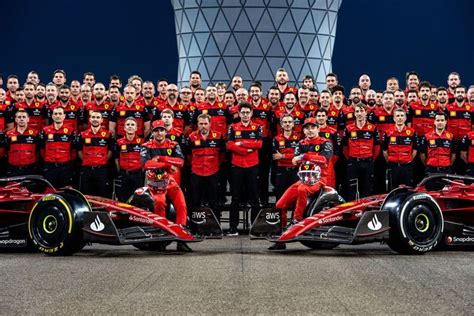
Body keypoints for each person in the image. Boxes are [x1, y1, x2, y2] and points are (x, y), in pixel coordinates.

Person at [270, 117, 332, 250]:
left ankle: (296, 221)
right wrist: (301, 157)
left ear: (318, 128)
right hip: (303, 178)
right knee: (280, 205)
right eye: (307, 128)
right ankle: (281, 237)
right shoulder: (301, 143)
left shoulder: (326, 143)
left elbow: (324, 159)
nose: (310, 130)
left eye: (312, 127)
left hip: (319, 179)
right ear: (303, 130)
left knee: (302, 190)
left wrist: (305, 156)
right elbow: (294, 160)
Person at [227, 102, 262, 236]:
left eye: (248, 112)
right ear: (239, 113)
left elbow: (259, 144)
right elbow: (230, 145)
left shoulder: (257, 127)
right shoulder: (233, 127)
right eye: (243, 113)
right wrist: (246, 150)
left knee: (254, 198)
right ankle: (233, 228)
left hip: (252, 166)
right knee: (235, 198)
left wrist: (242, 143)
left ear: (251, 113)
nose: (245, 115)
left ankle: (255, 228)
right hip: (237, 166)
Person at [141, 166, 192, 252]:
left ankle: (181, 239)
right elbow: (147, 164)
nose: (159, 186)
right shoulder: (150, 176)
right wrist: (167, 164)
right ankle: (161, 237)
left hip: (170, 184)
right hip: (154, 189)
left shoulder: (170, 180)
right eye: (157, 184)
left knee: (182, 205)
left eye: (161, 183)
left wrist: (162, 162)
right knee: (159, 202)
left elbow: (180, 162)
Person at [186, 114, 225, 220]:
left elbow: (222, 155)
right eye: (201, 124)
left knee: (214, 201)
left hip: (213, 172)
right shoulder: (191, 137)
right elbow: (188, 155)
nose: (203, 126)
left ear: (210, 124)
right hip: (196, 172)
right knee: (195, 200)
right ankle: (194, 226)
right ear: (197, 124)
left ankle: (216, 226)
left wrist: (215, 165)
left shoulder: (218, 136)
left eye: (205, 124)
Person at [342, 103, 380, 200]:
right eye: (357, 111)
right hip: (353, 163)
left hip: (367, 162)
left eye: (361, 111)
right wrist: (351, 159)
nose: (359, 113)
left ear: (366, 112)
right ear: (354, 114)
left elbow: (377, 148)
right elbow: (345, 147)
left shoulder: (373, 128)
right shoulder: (348, 129)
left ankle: (365, 211)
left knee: (367, 189)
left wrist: (370, 159)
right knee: (352, 189)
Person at [77, 110, 113, 197]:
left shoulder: (108, 135)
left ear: (102, 120)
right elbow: (79, 152)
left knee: (102, 196)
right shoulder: (82, 135)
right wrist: (88, 161)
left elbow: (110, 152)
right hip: (86, 170)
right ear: (89, 119)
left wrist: (100, 161)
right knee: (85, 195)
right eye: (93, 117)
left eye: (97, 117)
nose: (95, 119)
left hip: (101, 170)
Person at [40, 107, 76, 188]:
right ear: (52, 116)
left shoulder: (70, 131)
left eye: (60, 114)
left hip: (65, 167)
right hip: (50, 167)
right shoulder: (45, 130)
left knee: (65, 191)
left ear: (64, 116)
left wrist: (67, 162)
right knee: (49, 190)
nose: (58, 116)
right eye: (55, 114)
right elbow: (42, 149)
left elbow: (74, 150)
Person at [382, 108, 418, 189]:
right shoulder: (387, 132)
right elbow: (384, 151)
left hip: (407, 166)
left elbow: (415, 150)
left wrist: (408, 160)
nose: (400, 118)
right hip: (393, 166)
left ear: (405, 118)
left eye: (402, 116)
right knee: (393, 190)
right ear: (394, 118)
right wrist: (391, 161)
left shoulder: (412, 132)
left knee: (407, 190)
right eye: (397, 116)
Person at [114, 117, 144, 202]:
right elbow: (116, 159)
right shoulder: (119, 142)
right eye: (128, 125)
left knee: (137, 200)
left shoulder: (142, 142)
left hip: (137, 175)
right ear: (124, 128)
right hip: (124, 175)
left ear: (136, 128)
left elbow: (144, 158)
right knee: (123, 200)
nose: (130, 126)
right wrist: (121, 171)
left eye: (132, 125)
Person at [272, 114, 300, 200]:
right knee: (280, 197)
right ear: (281, 124)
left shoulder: (299, 137)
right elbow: (275, 157)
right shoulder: (276, 139)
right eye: (285, 122)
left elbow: (299, 156)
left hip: (295, 170)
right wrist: (292, 157)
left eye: (289, 122)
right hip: (281, 170)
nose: (287, 124)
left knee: (296, 197)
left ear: (293, 124)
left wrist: (283, 156)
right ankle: (281, 214)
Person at [5, 110, 40, 176]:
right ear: (16, 119)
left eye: (24, 117)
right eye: (19, 117)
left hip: (30, 169)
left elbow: (38, 151)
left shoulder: (35, 134)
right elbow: (6, 151)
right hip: (13, 169)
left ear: (28, 119)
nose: (21, 119)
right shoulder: (8, 134)